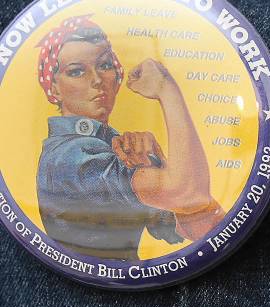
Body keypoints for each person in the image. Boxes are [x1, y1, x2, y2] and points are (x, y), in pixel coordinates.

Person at [34, 16, 223, 261]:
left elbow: (207, 226)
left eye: (104, 65)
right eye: (77, 71)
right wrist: (168, 91)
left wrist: (159, 166)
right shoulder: (69, 156)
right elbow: (188, 195)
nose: (97, 80)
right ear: (55, 88)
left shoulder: (112, 147)